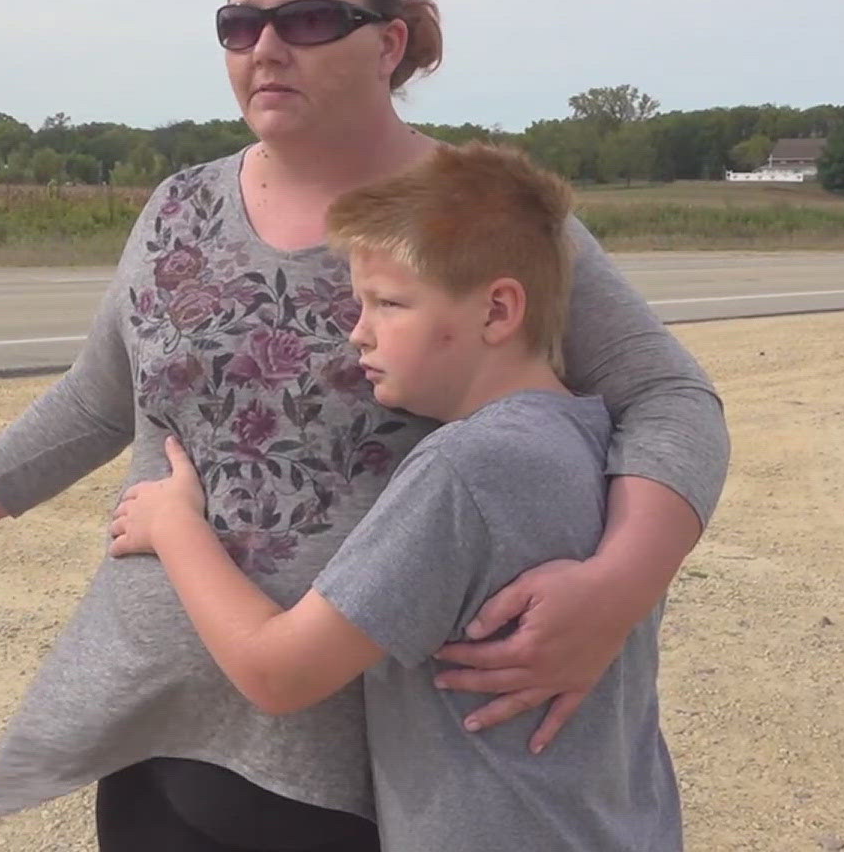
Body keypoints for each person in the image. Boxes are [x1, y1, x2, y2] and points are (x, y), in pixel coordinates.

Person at [0, 0, 727, 851]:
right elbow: (100, 399)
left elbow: (668, 399)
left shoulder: (472, 217)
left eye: (305, 21)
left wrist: (619, 587)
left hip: (353, 770)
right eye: (238, 26)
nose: (265, 48)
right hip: (157, 717)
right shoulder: (181, 206)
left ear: (388, 43)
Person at [109, 142, 680, 850]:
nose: (358, 333)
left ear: (498, 311)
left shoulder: (465, 468)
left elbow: (279, 672)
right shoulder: (601, 444)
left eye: (389, 303)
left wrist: (174, 527)